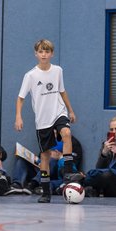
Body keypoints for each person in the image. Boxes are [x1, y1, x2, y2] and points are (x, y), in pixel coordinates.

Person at [15, 39, 82, 203]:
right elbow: (20, 98)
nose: (44, 54)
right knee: (45, 156)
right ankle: (45, 191)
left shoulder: (58, 70)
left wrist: (71, 110)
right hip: (43, 119)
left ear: (52, 54)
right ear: (36, 54)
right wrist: (18, 116)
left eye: (47, 51)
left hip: (58, 112)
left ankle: (67, 171)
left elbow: (62, 91)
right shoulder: (30, 75)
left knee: (66, 133)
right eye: (41, 51)